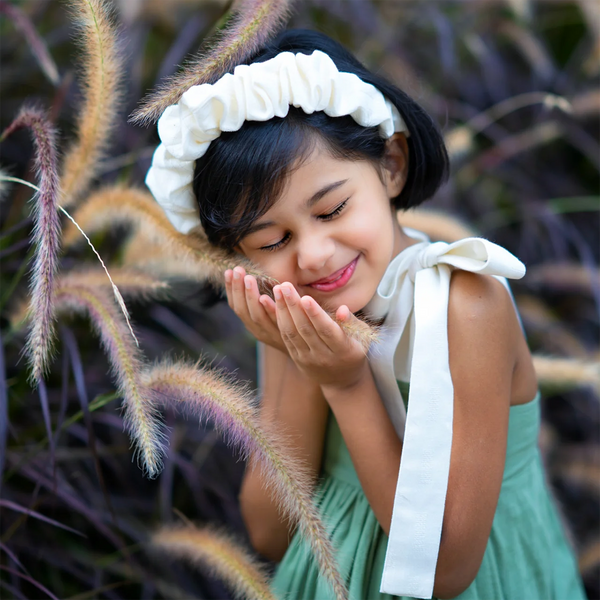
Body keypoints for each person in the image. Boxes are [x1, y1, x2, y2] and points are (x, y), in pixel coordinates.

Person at [145, 29, 588, 600]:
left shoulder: (467, 306)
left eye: (332, 208)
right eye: (271, 239)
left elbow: (444, 571)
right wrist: (296, 355)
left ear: (392, 166)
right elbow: (272, 530)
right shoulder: (294, 306)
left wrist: (347, 383)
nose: (312, 254)